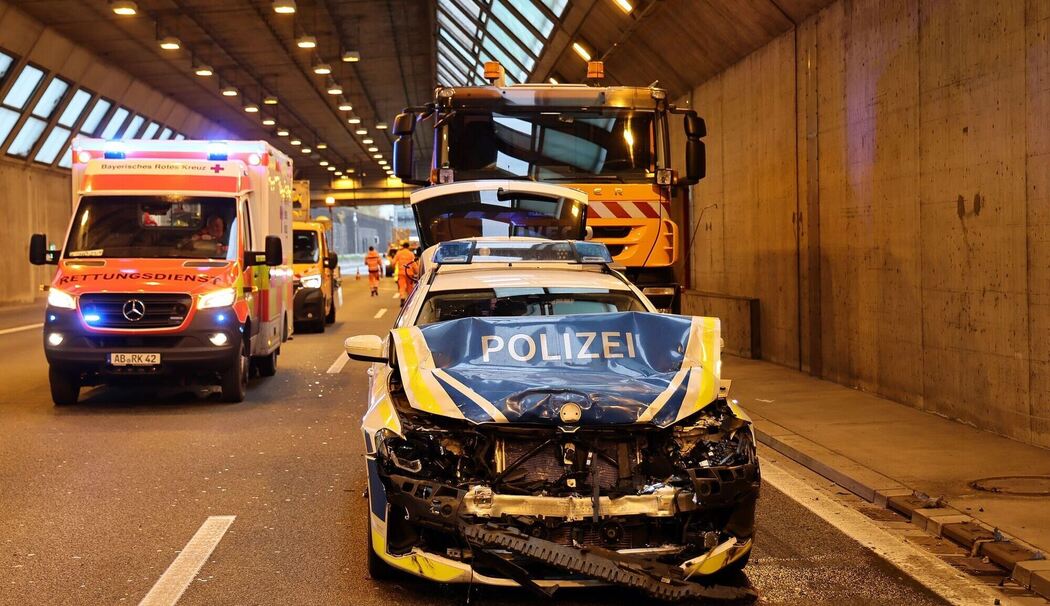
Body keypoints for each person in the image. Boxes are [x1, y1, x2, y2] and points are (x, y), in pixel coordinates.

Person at [393, 241, 417, 307]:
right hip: (409, 273)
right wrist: (417, 271)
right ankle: (410, 300)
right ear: (408, 247)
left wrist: (394, 267)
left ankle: (402, 299)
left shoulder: (399, 253)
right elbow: (414, 264)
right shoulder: (411, 254)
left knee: (402, 286)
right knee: (410, 287)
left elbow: (393, 262)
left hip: (401, 273)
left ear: (403, 246)